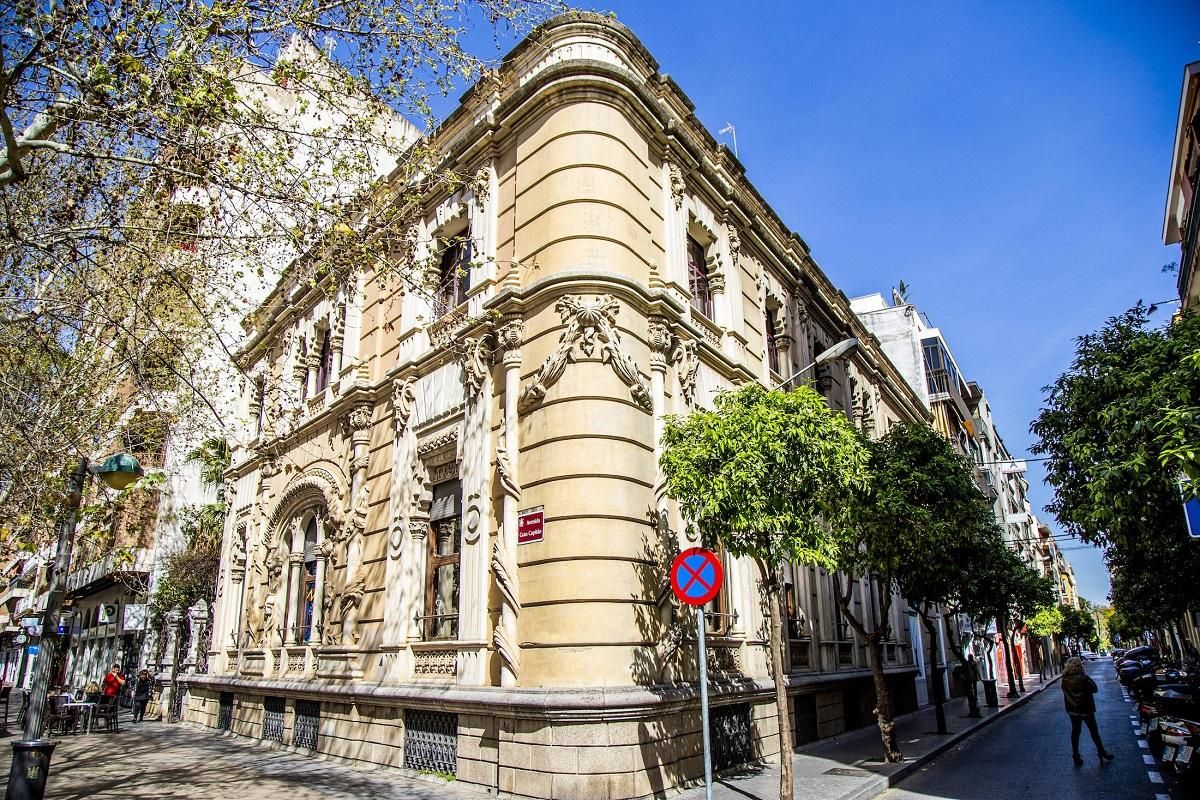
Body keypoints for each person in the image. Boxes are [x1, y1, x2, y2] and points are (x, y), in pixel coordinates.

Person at [1062, 656, 1114, 766]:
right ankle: (1101, 752)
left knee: (1075, 732)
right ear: (1079, 666)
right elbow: (1094, 688)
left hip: (1072, 710)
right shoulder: (1083, 678)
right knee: (1094, 732)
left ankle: (1075, 756)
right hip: (1086, 709)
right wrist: (1086, 677)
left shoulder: (1065, 679)